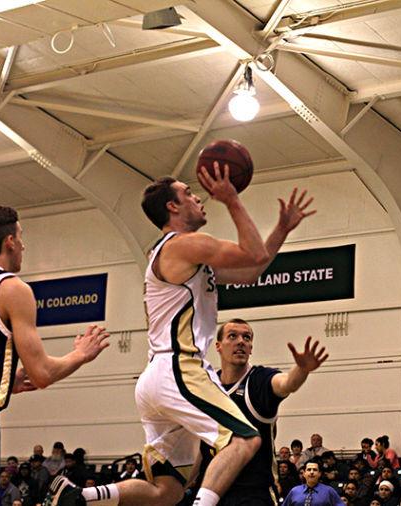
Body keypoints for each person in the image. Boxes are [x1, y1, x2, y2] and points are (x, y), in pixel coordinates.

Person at [51, 170, 305, 506]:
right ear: (173, 206)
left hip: (156, 378)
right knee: (245, 440)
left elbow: (251, 270)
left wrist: (281, 231)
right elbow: (253, 255)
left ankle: (79, 497)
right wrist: (230, 199)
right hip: (180, 369)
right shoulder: (184, 244)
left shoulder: (187, 259)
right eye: (189, 193)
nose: (199, 197)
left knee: (167, 491)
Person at [0, 206, 109, 506]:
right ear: (9, 242)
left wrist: (1, 381)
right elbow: (42, 373)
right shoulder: (11, 289)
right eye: (21, 236)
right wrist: (80, 355)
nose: (23, 245)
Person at [196, 318, 328, 505]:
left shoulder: (259, 380)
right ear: (218, 346)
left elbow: (286, 383)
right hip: (210, 490)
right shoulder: (206, 386)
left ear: (251, 348)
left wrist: (301, 370)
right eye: (232, 336)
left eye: (247, 338)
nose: (241, 341)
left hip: (253, 493)